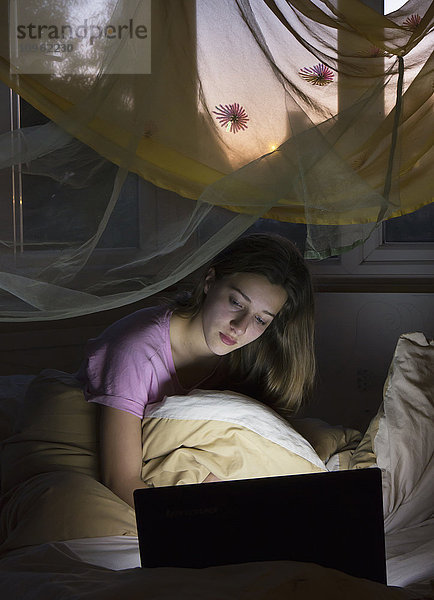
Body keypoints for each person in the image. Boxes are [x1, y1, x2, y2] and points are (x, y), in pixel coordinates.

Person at [76, 233, 316, 507]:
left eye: (260, 319)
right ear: (210, 281)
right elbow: (120, 479)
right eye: (236, 303)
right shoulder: (136, 350)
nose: (239, 327)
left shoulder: (246, 358)